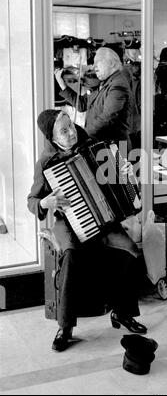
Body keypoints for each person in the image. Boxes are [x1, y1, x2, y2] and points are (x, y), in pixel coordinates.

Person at [27, 109, 147, 352]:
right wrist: (44, 203)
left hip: (104, 221)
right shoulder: (47, 163)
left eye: (71, 126)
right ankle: (66, 326)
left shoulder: (96, 147)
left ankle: (122, 313)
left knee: (131, 253)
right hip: (68, 222)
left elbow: (121, 182)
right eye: (64, 130)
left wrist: (126, 174)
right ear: (52, 138)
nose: (71, 132)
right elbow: (32, 200)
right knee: (70, 255)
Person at [54, 46, 133, 152]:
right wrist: (62, 84)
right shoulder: (104, 83)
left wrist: (84, 135)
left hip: (117, 147)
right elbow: (82, 104)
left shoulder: (117, 85)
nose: (94, 67)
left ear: (111, 63)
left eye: (98, 62)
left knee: (119, 169)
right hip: (104, 145)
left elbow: (108, 117)